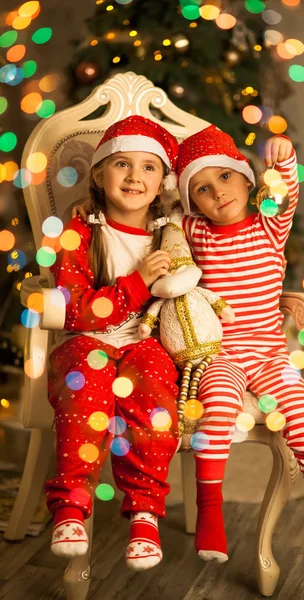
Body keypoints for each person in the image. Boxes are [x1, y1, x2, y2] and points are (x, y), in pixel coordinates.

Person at [173, 125, 304, 567]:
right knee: (217, 411)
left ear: (247, 181)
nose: (217, 192)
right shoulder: (194, 230)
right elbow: (149, 220)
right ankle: (210, 512)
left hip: (269, 353)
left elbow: (286, 192)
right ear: (191, 201)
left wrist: (284, 157)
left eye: (225, 178)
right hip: (221, 354)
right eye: (202, 187)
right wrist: (90, 207)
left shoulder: (268, 225)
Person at [45, 115, 181, 572]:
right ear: (100, 174)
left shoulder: (171, 237)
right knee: (88, 384)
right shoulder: (80, 232)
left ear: (163, 180)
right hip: (86, 340)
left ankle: (145, 513)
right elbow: (73, 310)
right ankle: (70, 504)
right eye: (122, 164)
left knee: (156, 391)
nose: (134, 177)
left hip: (145, 344)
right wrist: (137, 284)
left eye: (148, 167)